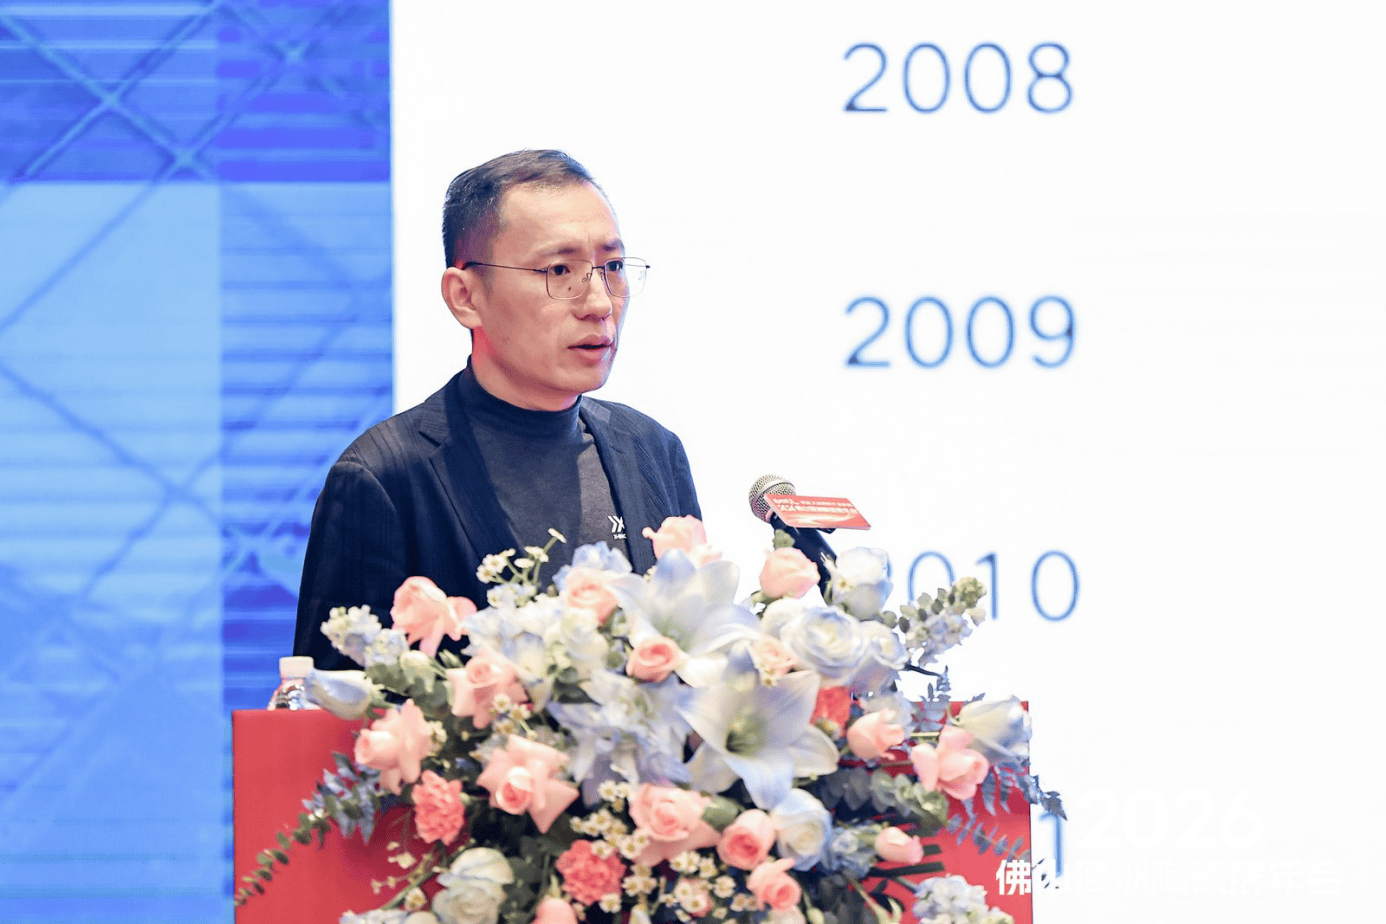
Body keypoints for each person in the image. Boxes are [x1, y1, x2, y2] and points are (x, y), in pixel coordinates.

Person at [293, 150, 701, 669]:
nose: (600, 303)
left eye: (613, 267)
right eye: (559, 270)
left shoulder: (651, 450)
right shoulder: (385, 478)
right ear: (465, 297)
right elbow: (332, 706)